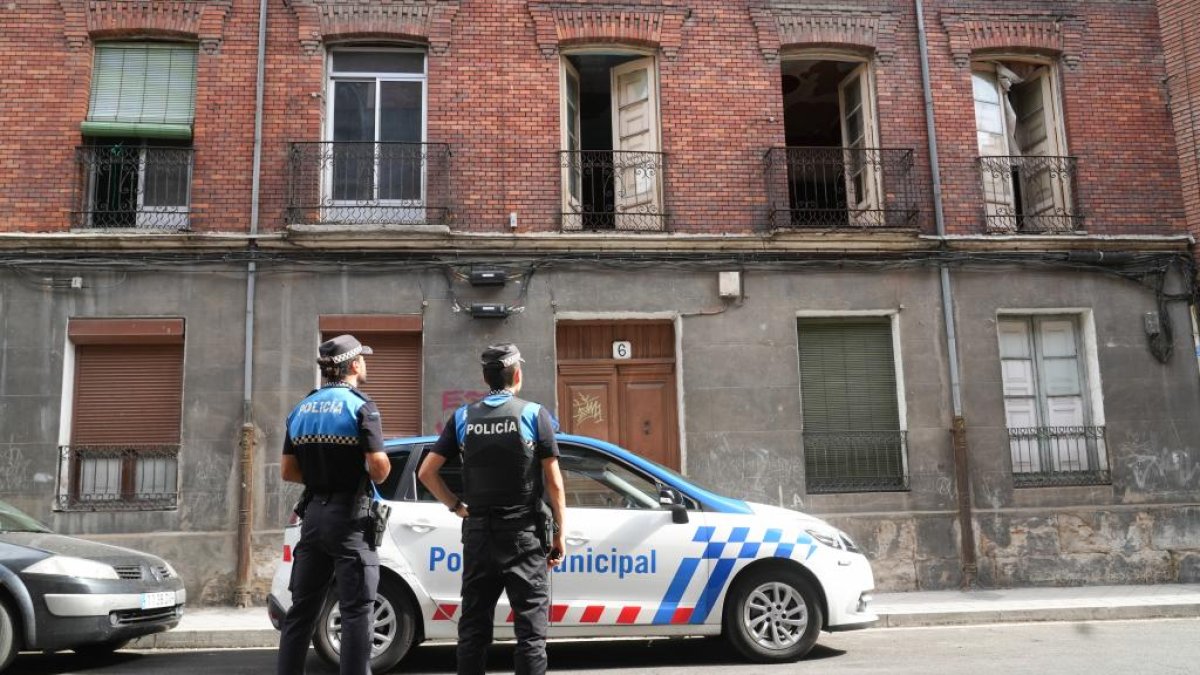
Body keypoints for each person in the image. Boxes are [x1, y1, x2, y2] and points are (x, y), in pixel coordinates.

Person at [419, 343, 566, 675]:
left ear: (486, 378)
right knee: (530, 633)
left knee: (473, 627)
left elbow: (426, 472)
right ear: (517, 374)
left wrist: (456, 506)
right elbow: (555, 483)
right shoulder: (534, 414)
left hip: (478, 536)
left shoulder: (463, 417)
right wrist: (560, 534)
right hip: (523, 536)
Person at [277, 334, 391, 675]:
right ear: (354, 365)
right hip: (349, 518)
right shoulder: (361, 407)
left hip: (312, 516)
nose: (366, 364)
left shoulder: (301, 408)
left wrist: (320, 477)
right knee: (356, 611)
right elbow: (380, 468)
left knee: (301, 611)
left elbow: (287, 471)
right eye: (363, 359)